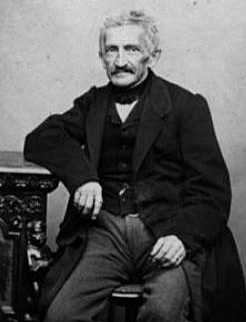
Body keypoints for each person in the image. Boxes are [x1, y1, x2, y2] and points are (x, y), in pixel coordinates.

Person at [24, 10, 246, 322]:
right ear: (101, 56)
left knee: (162, 313)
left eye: (132, 49)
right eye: (111, 50)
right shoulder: (93, 103)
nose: (120, 60)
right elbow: (42, 138)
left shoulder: (186, 106)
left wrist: (182, 238)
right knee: (61, 315)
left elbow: (212, 189)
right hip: (104, 233)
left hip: (166, 231)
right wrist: (84, 179)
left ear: (152, 56)